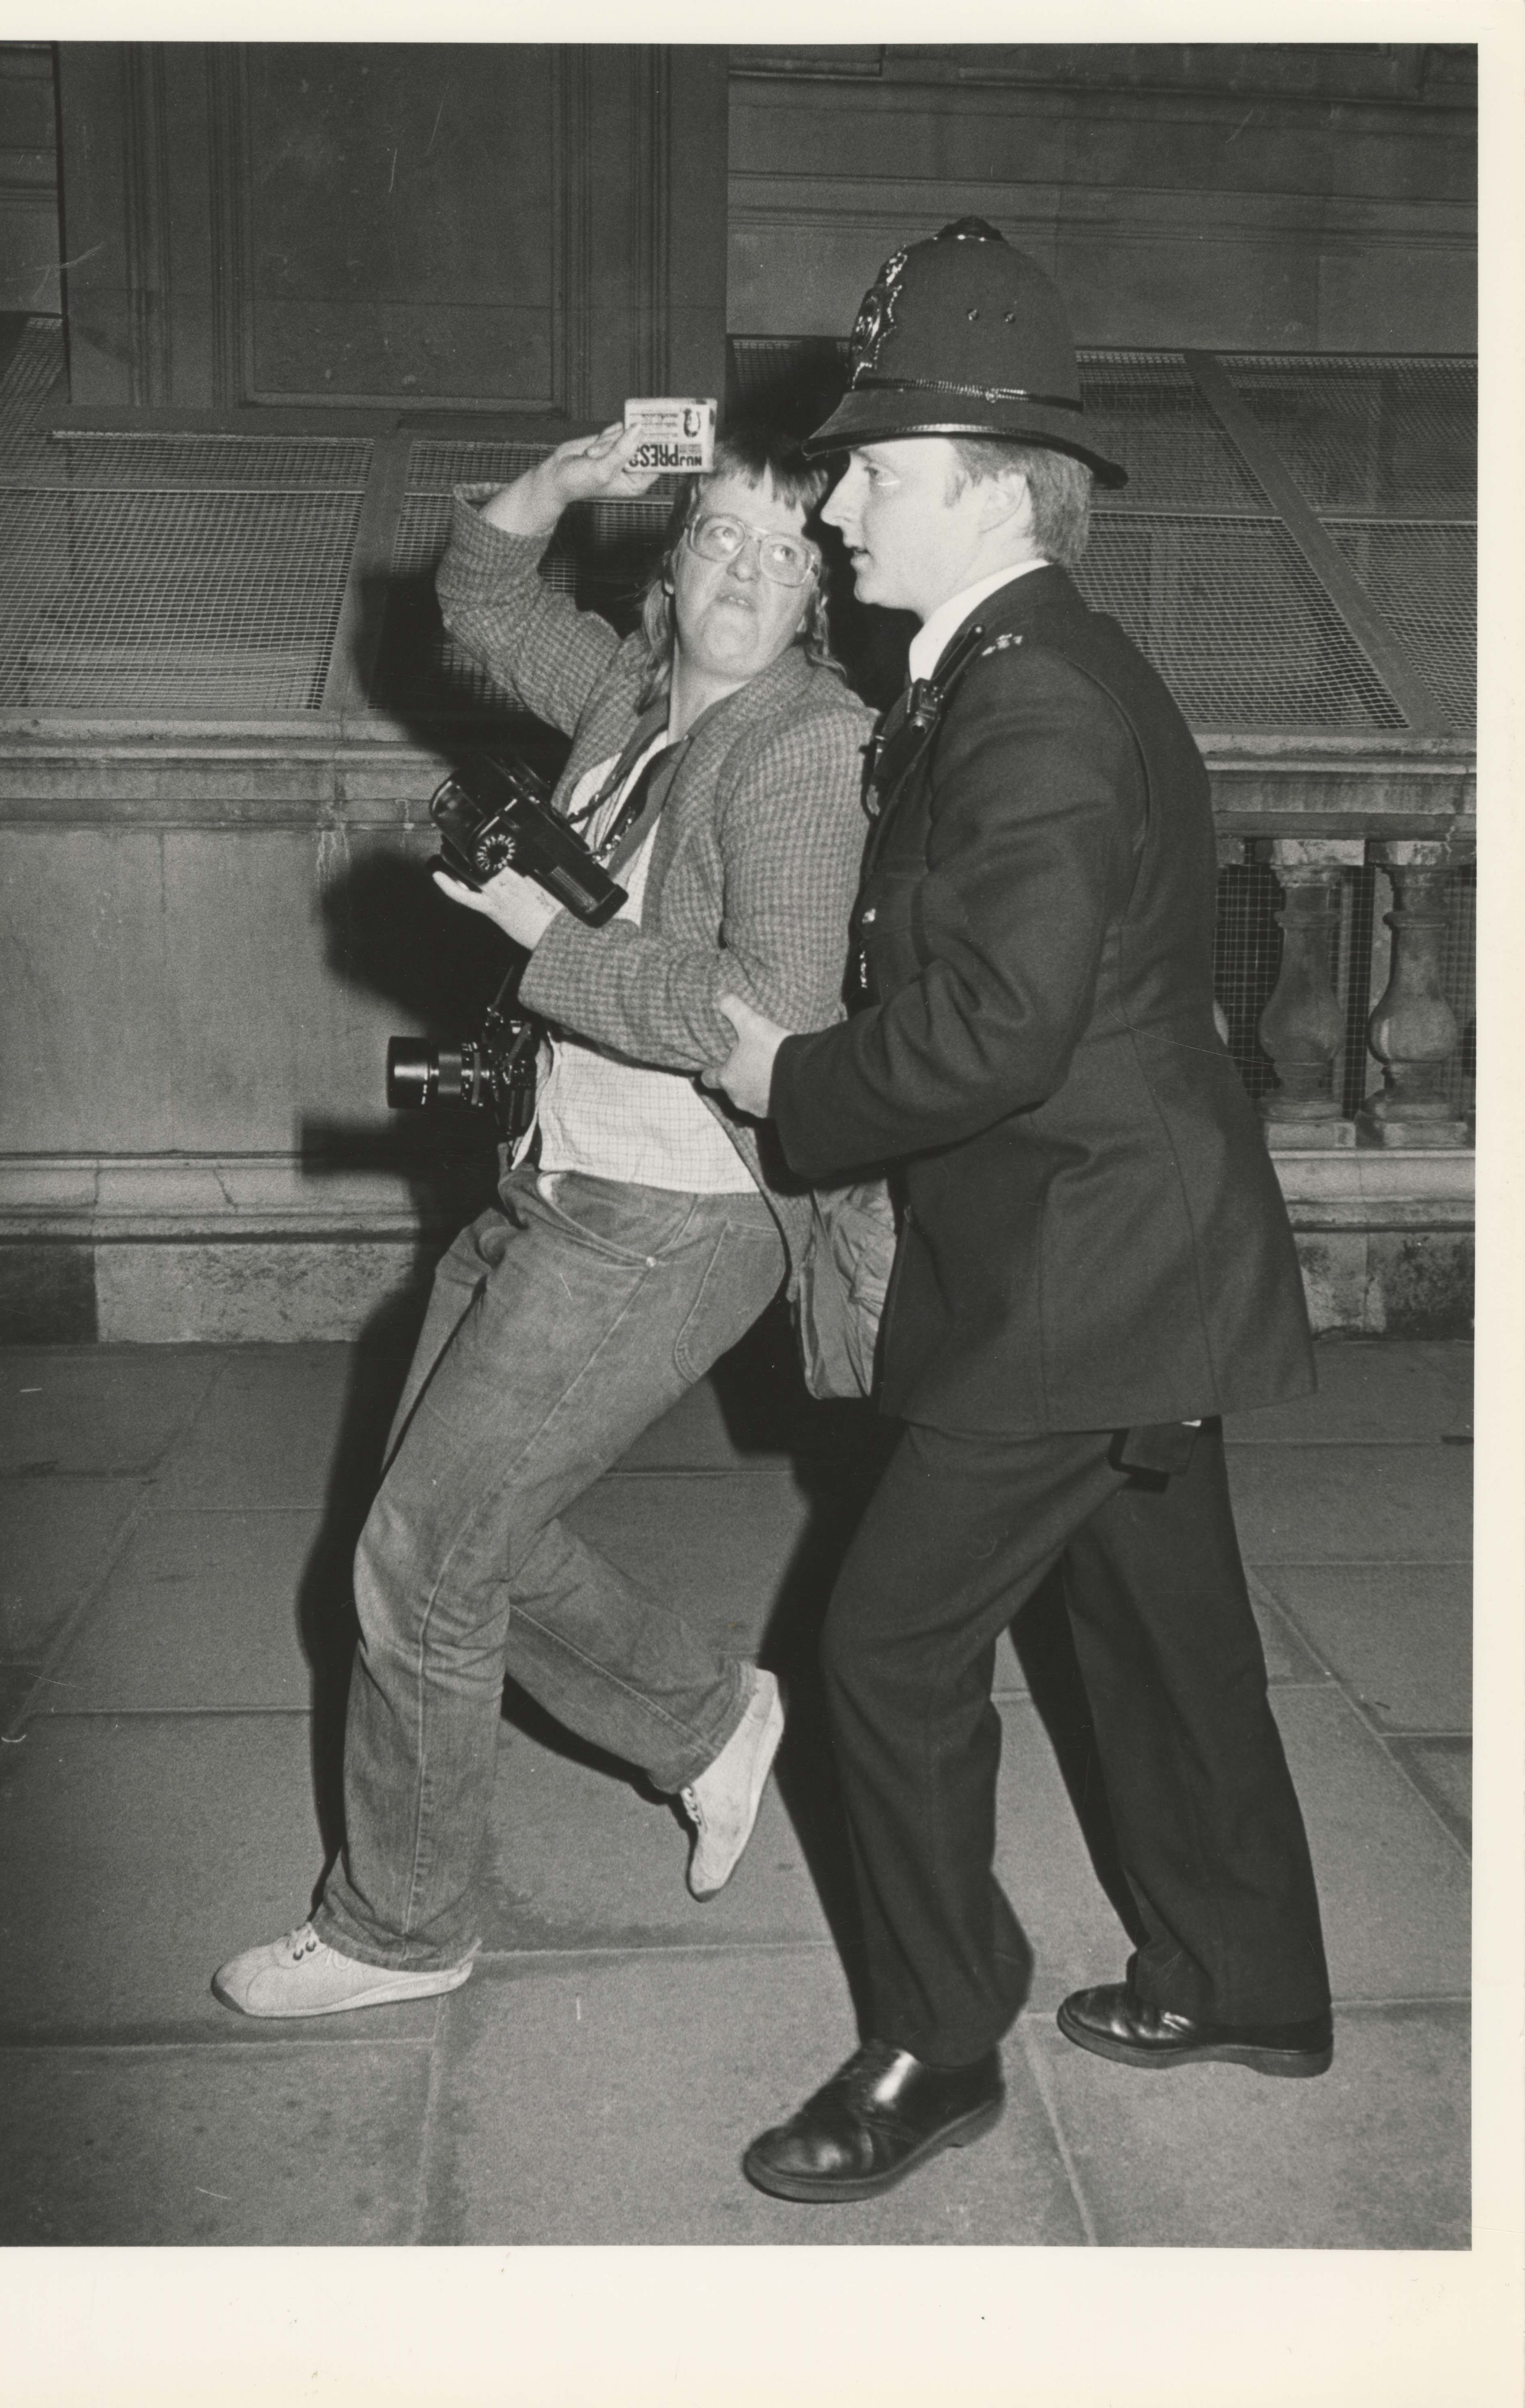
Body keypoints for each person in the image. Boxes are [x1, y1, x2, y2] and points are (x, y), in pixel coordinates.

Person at [711, 219, 1333, 2203]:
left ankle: (937, 2036)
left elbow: (986, 1031)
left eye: (872, 469)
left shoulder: (1032, 697)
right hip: (1134, 1247)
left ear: (984, 481)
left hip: (1086, 1276)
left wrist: (781, 1082)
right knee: (1165, 1638)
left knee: (885, 1656)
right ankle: (1250, 1979)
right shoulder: (1018, 660)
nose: (835, 498)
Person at [215, 422, 871, 2018]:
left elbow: (771, 1013)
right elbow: (483, 599)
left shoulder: (808, 749)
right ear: (673, 560)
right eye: (720, 536)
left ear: (817, 602)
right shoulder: (636, 703)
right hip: (560, 1170)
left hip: (680, 1210)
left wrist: (539, 934)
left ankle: (400, 1923)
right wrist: (561, 483)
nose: (744, 572)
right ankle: (711, 1717)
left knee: (424, 1551)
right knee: (450, 1539)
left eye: (786, 555)